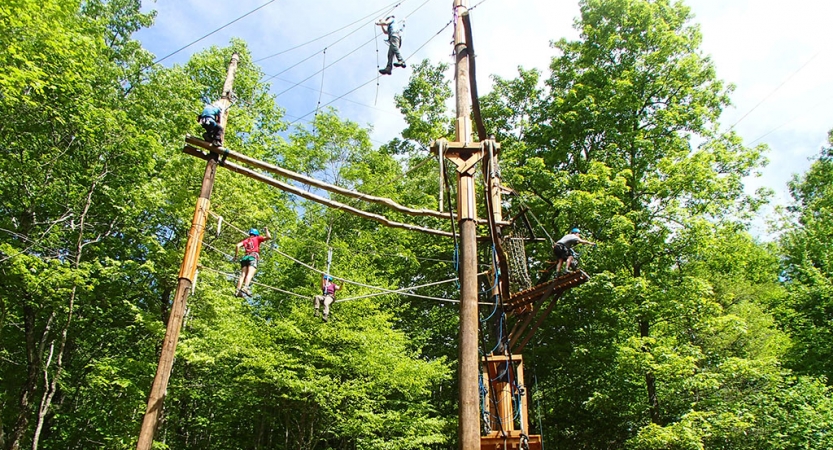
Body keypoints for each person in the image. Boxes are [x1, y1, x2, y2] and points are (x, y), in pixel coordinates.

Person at [234, 227, 271, 297]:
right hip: (253, 257)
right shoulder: (257, 238)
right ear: (256, 234)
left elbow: (237, 245)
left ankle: (237, 291)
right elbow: (269, 237)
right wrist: (266, 230)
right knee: (250, 274)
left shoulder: (246, 240)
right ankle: (246, 287)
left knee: (242, 275)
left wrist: (236, 256)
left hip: (245, 258)